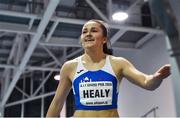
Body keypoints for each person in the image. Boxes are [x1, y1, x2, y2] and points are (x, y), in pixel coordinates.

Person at [46, 19, 171, 117]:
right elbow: (57, 103)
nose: (88, 34)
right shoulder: (70, 67)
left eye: (94, 30)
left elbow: (147, 82)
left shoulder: (118, 63)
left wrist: (157, 77)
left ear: (104, 39)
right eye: (84, 31)